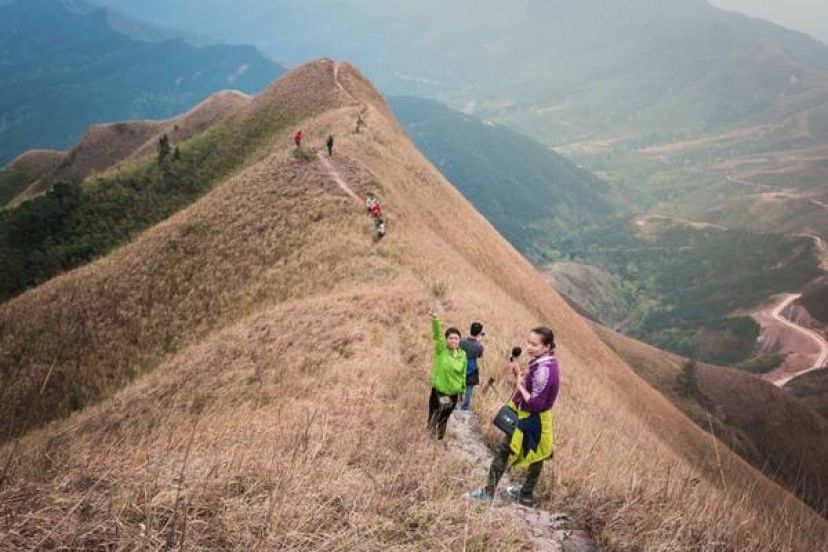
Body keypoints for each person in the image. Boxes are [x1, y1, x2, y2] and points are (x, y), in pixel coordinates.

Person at [469, 327, 559, 506]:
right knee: (538, 454)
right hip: (541, 419)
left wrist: (520, 385)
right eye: (528, 342)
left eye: (534, 344)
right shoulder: (547, 363)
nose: (529, 347)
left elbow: (535, 403)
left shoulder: (543, 370)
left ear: (547, 346)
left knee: (503, 450)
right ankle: (525, 494)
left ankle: (488, 493)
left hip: (530, 418)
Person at [427, 308, 467, 440]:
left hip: (453, 394)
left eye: (456, 338)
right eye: (451, 338)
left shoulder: (462, 355)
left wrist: (462, 391)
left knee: (444, 418)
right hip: (439, 391)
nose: (454, 341)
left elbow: (463, 374)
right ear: (446, 339)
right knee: (434, 415)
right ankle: (428, 438)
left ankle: (439, 439)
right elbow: (437, 335)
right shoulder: (441, 350)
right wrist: (435, 320)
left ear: (460, 340)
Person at [459, 322, 485, 410]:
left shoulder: (461, 341)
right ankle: (465, 407)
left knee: (458, 385)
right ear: (479, 333)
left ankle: (456, 403)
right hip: (472, 369)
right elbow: (479, 356)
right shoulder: (479, 346)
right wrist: (479, 341)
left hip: (460, 366)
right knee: (469, 390)